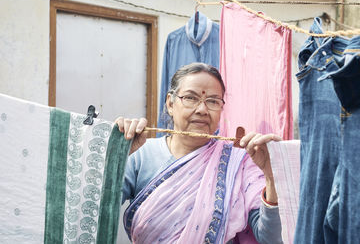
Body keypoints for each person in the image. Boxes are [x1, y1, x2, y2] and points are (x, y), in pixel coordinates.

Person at [116, 63, 283, 244]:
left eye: (212, 101)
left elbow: (271, 239)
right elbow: (96, 212)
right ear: (170, 103)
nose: (202, 110)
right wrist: (116, 156)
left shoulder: (239, 163)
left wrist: (271, 177)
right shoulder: (140, 154)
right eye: (190, 98)